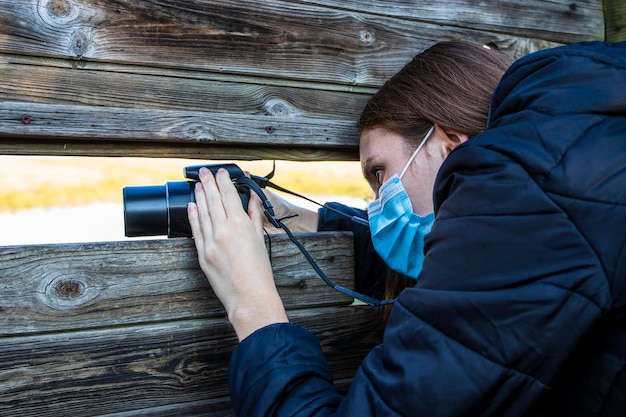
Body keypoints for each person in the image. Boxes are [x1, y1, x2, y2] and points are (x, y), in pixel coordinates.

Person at [186, 40, 626, 416]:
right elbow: (490, 279)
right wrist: (310, 220)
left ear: (449, 144)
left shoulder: (528, 202)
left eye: (379, 174)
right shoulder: (578, 153)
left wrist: (253, 306)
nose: (380, 206)